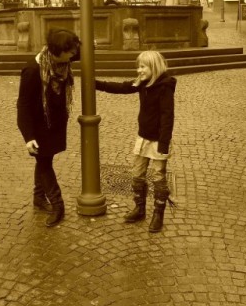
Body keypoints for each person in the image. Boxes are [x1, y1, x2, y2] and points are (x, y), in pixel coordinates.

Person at [95, 51, 177, 233]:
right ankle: (139, 209)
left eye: (142, 67)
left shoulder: (164, 87)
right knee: (137, 174)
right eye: (138, 66)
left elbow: (167, 117)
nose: (139, 70)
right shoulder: (143, 83)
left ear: (154, 67)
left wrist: (164, 143)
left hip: (158, 141)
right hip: (143, 136)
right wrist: (96, 84)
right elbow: (121, 87)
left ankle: (158, 214)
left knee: (158, 178)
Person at [17, 28, 81, 227]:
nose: (73, 55)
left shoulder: (62, 59)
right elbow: (23, 105)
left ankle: (38, 197)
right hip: (39, 125)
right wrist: (28, 137)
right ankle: (57, 204)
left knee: (45, 159)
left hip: (56, 120)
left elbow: (80, 52)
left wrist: (89, 43)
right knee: (44, 162)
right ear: (57, 52)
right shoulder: (32, 70)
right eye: (70, 52)